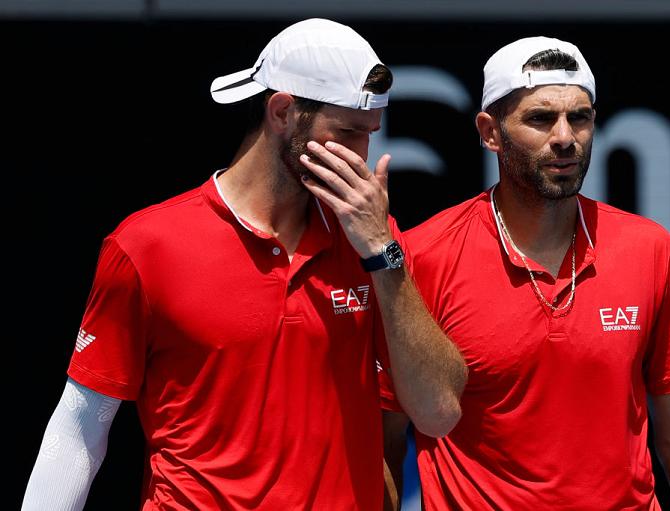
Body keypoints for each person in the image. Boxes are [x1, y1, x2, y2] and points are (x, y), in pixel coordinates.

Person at [23, 18, 466, 510]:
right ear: (282, 112)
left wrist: (382, 255)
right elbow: (81, 424)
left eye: (370, 135)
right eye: (347, 132)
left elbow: (440, 414)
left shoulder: (376, 241)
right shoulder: (146, 245)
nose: (363, 156)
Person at [381, 37, 670, 509]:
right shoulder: (423, 255)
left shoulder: (648, 248)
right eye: (541, 118)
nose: (565, 137)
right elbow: (384, 438)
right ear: (490, 132)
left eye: (579, 117)